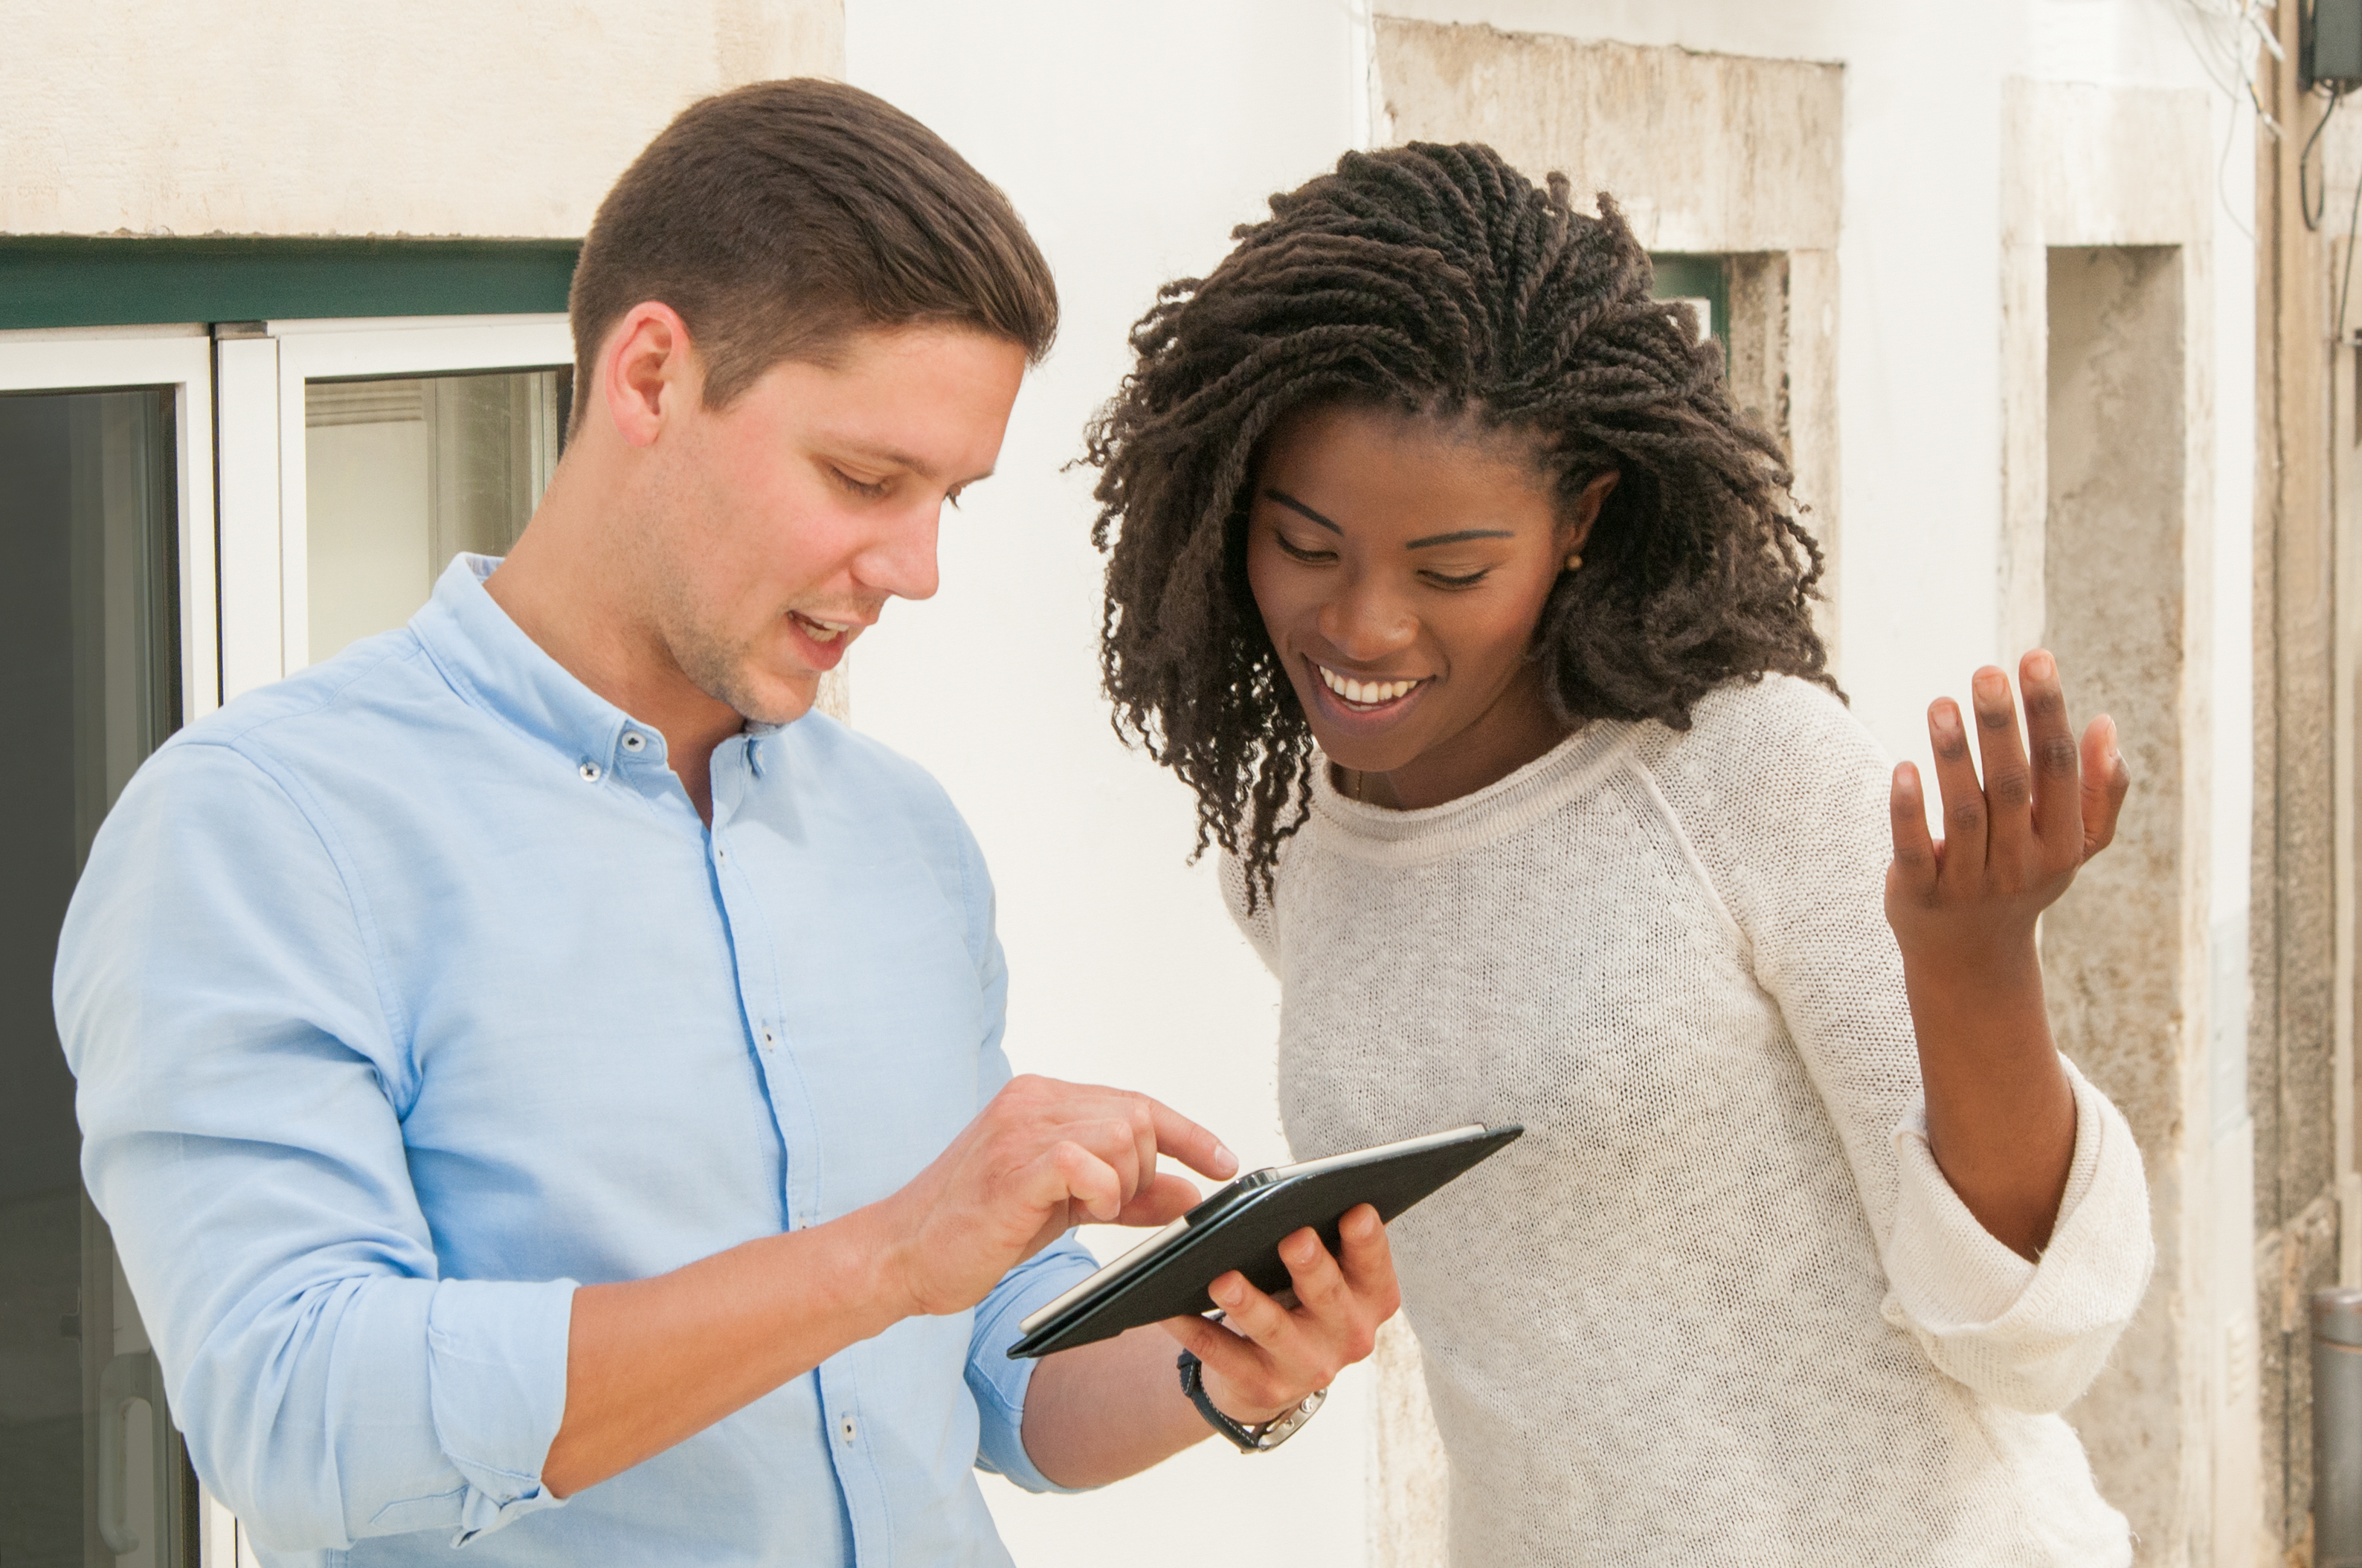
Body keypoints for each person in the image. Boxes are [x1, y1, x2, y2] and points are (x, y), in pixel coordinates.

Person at [52, 80, 1399, 1567]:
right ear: (649, 378)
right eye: (865, 478)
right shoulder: (263, 829)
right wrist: (882, 1256)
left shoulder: (901, 835)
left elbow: (991, 1373)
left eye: (947, 498)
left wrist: (1226, 1368)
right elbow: (298, 1418)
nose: (915, 567)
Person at [1086, 141, 2153, 1564]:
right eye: (1305, 544)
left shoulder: (1742, 771)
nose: (1363, 625)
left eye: (1453, 570)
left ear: (1581, 520)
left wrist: (1979, 966)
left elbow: (2033, 1344)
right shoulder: (1289, 839)